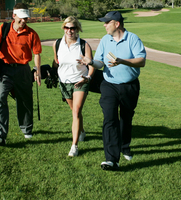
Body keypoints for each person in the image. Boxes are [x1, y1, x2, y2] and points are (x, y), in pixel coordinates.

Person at [78, 11, 146, 170]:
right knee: (109, 119)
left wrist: (122, 61)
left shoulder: (132, 39)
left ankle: (125, 146)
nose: (104, 25)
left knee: (126, 119)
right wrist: (91, 62)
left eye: (107, 22)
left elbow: (141, 61)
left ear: (117, 24)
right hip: (109, 84)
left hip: (130, 85)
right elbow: (100, 63)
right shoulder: (105, 39)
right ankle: (111, 159)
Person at [0, 3, 42, 146]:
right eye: (22, 18)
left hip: (23, 70)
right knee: (1, 98)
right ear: (14, 15)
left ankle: (26, 128)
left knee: (25, 100)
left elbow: (36, 53)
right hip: (5, 69)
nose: (24, 21)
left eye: (26, 18)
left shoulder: (31, 33)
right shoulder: (4, 28)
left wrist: (37, 70)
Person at [53, 16, 95, 157]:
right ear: (63, 28)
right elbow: (56, 62)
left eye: (73, 28)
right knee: (74, 111)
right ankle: (81, 130)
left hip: (80, 81)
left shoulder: (84, 45)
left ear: (77, 29)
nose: (70, 31)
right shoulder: (57, 44)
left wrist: (88, 77)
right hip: (64, 83)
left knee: (76, 112)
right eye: (67, 28)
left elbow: (91, 65)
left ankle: (74, 146)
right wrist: (52, 74)